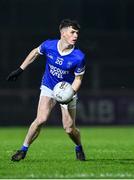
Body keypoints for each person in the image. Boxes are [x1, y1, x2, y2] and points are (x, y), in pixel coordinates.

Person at [7, 19, 86, 161]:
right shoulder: (49, 45)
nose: (76, 35)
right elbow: (35, 53)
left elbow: (78, 79)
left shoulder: (79, 57)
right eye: (72, 32)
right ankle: (23, 150)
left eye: (77, 33)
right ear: (63, 32)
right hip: (49, 86)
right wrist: (20, 69)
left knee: (69, 128)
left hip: (67, 91)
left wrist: (70, 93)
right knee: (41, 119)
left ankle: (79, 147)